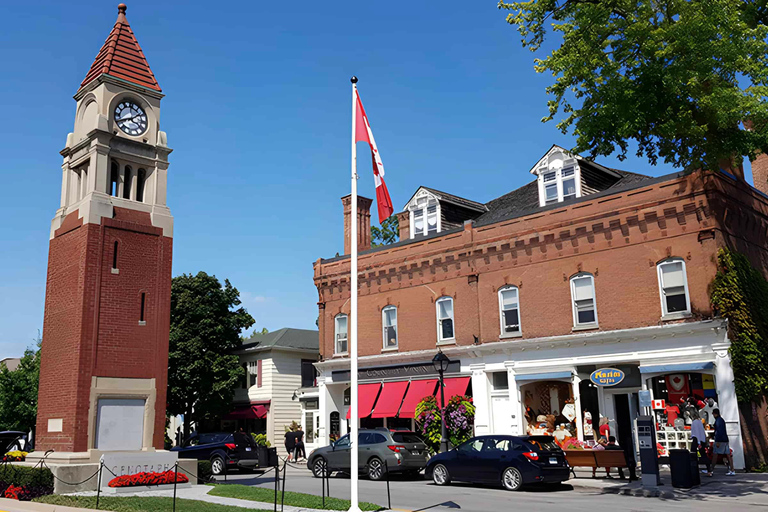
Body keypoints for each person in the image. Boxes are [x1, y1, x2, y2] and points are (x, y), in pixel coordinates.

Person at [712, 409, 735, 475]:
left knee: (715, 454)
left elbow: (719, 431)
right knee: (728, 455)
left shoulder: (718, 421)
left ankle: (711, 469)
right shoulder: (721, 420)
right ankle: (732, 469)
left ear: (715, 413)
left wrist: (717, 440)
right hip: (725, 439)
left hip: (720, 440)